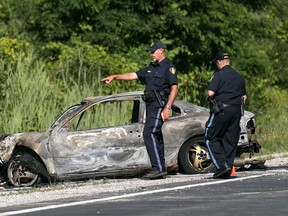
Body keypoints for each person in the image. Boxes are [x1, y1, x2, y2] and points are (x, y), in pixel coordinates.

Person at [101, 40, 178, 179]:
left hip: (159, 104)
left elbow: (174, 88)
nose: (151, 54)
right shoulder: (151, 67)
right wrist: (115, 76)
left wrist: (167, 107)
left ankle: (157, 168)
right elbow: (133, 75)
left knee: (149, 133)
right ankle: (161, 167)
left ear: (161, 50)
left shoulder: (168, 67)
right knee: (156, 135)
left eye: (153, 51)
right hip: (150, 105)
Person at [205, 50, 247, 179]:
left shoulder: (218, 75)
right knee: (230, 140)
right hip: (236, 111)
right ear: (228, 61)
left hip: (222, 111)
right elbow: (244, 97)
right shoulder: (239, 77)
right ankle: (228, 168)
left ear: (218, 62)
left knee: (210, 136)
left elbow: (210, 93)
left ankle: (221, 166)